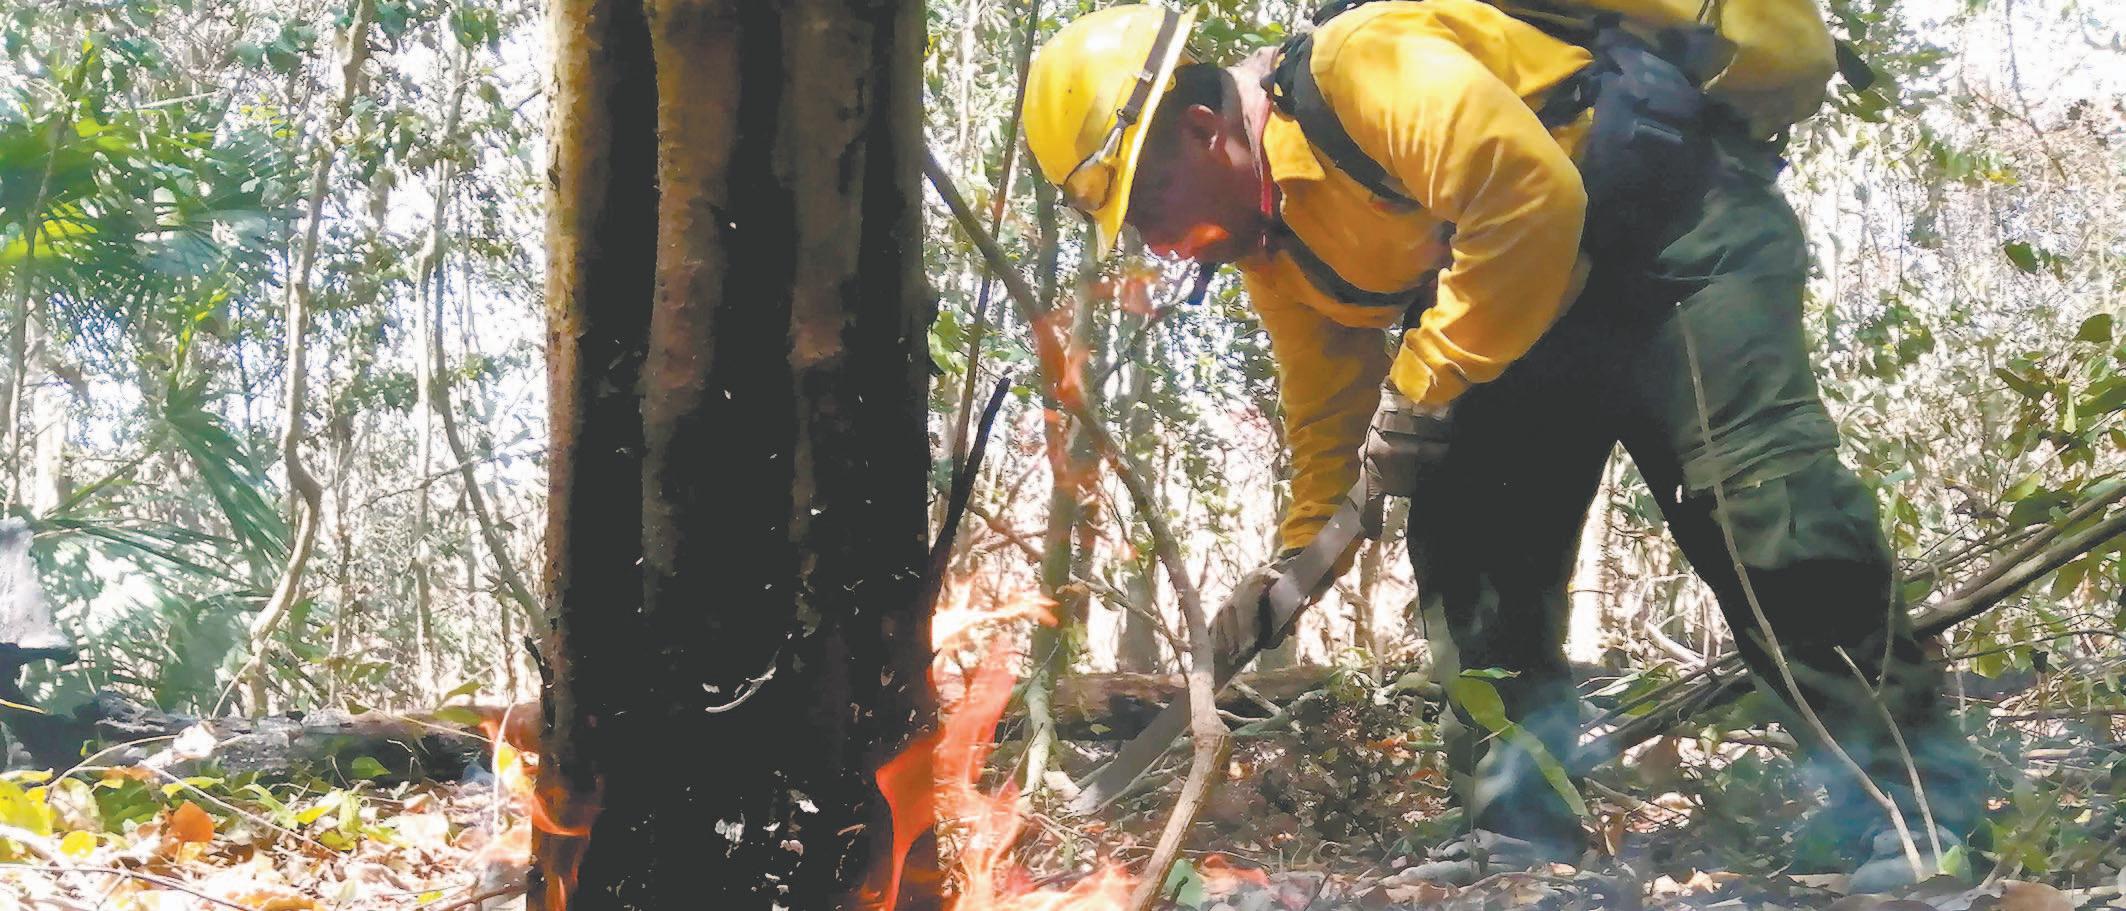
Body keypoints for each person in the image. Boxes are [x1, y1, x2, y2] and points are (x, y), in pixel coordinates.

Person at [1018, 0, 1984, 892]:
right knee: (1469, 532)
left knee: (1758, 504)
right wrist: (1295, 564)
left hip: (1676, 241)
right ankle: (1522, 832)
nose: (1162, 241)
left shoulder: (1364, 70)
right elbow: (1329, 425)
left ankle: (1915, 806)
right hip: (1520, 304)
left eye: (1153, 204)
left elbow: (1528, 195)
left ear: (1203, 129)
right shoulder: (1276, 249)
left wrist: (1426, 380)